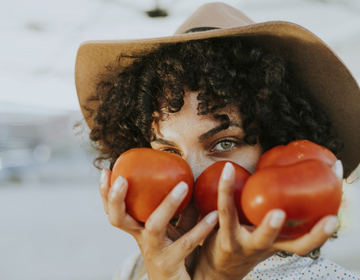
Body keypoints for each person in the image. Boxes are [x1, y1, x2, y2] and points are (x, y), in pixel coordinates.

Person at [75, 3, 360, 279]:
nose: (194, 177)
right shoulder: (136, 269)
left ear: (278, 145)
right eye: (169, 151)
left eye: (224, 143)